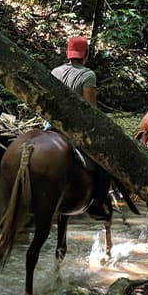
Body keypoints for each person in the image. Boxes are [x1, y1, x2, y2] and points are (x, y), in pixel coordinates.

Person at [49, 35, 110, 217]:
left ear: (68, 53)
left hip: (51, 125)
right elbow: (90, 110)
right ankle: (97, 206)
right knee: (105, 164)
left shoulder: (55, 72)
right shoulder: (88, 75)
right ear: (86, 55)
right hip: (74, 130)